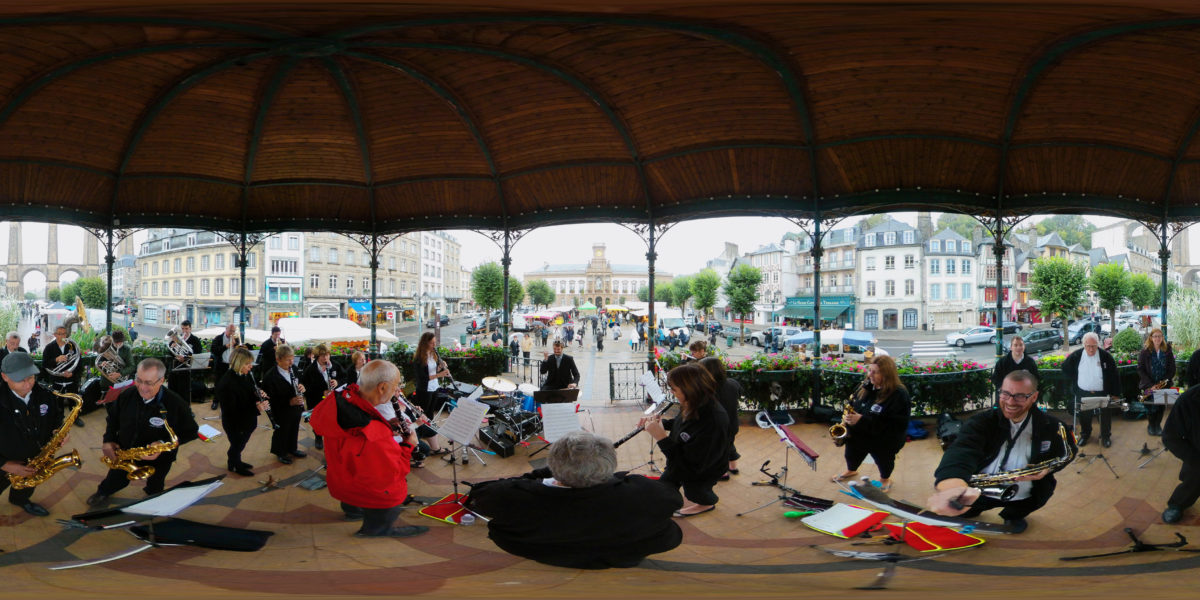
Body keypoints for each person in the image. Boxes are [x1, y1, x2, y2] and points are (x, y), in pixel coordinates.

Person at [466, 430, 683, 568]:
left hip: (544, 552)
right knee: (668, 529)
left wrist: (540, 475)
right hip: (620, 555)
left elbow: (479, 495)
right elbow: (673, 498)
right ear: (609, 465)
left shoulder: (515, 494)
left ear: (554, 465)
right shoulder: (642, 492)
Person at [927, 370, 1077, 534]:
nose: (1010, 402)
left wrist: (1048, 469)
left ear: (1034, 397)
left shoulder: (1054, 426)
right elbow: (962, 450)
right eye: (1005, 393)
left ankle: (1012, 515)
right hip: (979, 489)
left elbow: (1068, 452)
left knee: (1028, 503)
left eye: (1020, 396)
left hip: (1025, 492)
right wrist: (953, 487)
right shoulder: (981, 422)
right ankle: (974, 509)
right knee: (967, 509)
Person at [310, 360, 428, 538]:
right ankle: (377, 530)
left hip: (342, 478)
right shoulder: (374, 434)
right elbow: (394, 471)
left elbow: (358, 437)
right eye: (396, 385)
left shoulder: (342, 398)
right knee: (392, 495)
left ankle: (353, 511)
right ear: (382, 387)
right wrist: (408, 445)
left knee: (358, 487)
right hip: (365, 487)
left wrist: (386, 424)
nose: (398, 390)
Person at [85, 358, 200, 506]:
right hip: (126, 451)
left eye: (149, 383)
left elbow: (191, 431)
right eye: (139, 380)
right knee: (115, 478)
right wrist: (108, 439)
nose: (142, 387)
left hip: (160, 458)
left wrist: (163, 444)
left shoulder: (176, 403)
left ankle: (153, 495)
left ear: (161, 380)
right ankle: (103, 492)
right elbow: (113, 419)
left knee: (156, 483)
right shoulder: (127, 395)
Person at [639, 363, 729, 517]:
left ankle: (708, 503)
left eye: (674, 389)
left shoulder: (713, 420)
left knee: (695, 491)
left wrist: (661, 437)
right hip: (682, 458)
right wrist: (660, 424)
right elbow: (680, 423)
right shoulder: (693, 403)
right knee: (664, 485)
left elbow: (688, 465)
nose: (672, 393)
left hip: (703, 468)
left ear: (690, 390)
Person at [831, 355, 911, 492]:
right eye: (869, 370)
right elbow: (853, 405)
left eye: (875, 372)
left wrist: (861, 420)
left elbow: (896, 424)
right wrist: (847, 422)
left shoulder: (898, 394)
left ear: (887, 374)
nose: (870, 375)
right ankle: (851, 470)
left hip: (884, 439)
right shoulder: (865, 387)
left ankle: (885, 479)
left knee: (884, 460)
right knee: (851, 453)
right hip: (860, 433)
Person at [0, 352, 66, 516]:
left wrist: (57, 431)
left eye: (30, 377)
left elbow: (57, 417)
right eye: (20, 379)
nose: (27, 384)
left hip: (35, 458)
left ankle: (20, 500)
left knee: (27, 486)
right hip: (4, 460)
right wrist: (4, 464)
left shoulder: (46, 394)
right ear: (4, 377)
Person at [214, 347, 270, 476]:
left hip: (247, 420)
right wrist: (257, 408)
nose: (251, 366)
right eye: (247, 363)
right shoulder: (226, 383)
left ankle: (234, 461)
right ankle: (236, 465)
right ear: (238, 363)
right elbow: (232, 410)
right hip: (235, 423)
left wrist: (258, 393)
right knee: (237, 444)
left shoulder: (245, 374)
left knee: (240, 443)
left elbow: (249, 391)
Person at [1062, 332, 1121, 447]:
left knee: (1105, 416)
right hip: (1083, 392)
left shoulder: (1105, 356)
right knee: (1084, 415)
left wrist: (1115, 393)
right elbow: (1065, 367)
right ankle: (1085, 435)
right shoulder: (1077, 355)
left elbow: (1114, 375)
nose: (1091, 349)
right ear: (1084, 344)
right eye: (1088, 346)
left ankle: (1105, 437)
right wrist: (1075, 379)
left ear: (1098, 344)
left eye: (1094, 346)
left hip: (1102, 392)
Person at [260, 344, 307, 464]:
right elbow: (269, 399)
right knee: (282, 431)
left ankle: (292, 448)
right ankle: (280, 452)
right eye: (288, 360)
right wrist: (289, 402)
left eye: (292, 359)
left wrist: (302, 386)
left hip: (296, 407)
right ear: (278, 359)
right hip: (281, 409)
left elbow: (301, 380)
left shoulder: (294, 369)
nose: (291, 362)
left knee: (294, 427)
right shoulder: (270, 376)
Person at [1162, 381, 1200, 524]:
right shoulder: (1189, 399)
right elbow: (1170, 437)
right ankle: (1177, 504)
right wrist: (1195, 460)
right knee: (1195, 476)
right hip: (1198, 454)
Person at [699, 357, 742, 480]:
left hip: (717, 425)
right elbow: (739, 393)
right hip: (733, 423)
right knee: (728, 443)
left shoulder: (706, 388)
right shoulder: (733, 383)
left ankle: (722, 473)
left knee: (717, 449)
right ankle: (733, 466)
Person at [1137, 328, 1176, 437]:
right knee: (1149, 407)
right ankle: (1151, 425)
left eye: (1159, 336)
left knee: (1160, 406)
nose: (1157, 338)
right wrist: (1151, 385)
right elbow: (1140, 369)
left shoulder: (1167, 350)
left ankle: (1157, 426)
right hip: (1148, 386)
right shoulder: (1145, 351)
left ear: (1162, 338)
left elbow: (1172, 369)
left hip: (1163, 385)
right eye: (1155, 336)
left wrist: (1163, 382)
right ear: (1151, 338)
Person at [301, 344, 340, 451]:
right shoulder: (310, 370)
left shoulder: (334, 365)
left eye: (327, 355)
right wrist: (321, 392)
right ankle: (318, 437)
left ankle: (331, 438)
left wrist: (337, 382)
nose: (326, 358)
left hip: (333, 400)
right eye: (323, 356)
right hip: (317, 400)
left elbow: (345, 377)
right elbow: (305, 388)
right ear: (317, 356)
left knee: (331, 420)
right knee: (318, 420)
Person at [412, 333, 450, 416]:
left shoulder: (433, 354)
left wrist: (440, 367)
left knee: (431, 412)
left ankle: (430, 424)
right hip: (424, 389)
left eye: (435, 342)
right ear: (425, 343)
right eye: (431, 343)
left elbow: (433, 371)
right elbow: (422, 377)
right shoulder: (418, 358)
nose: (434, 345)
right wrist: (439, 375)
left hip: (434, 387)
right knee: (423, 413)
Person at [166, 320, 204, 404]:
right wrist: (172, 346)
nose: (184, 331)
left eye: (186, 329)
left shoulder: (195, 340)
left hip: (187, 368)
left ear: (190, 329)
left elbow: (197, 353)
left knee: (184, 389)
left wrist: (185, 358)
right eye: (183, 329)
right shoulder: (177, 338)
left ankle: (185, 406)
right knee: (172, 387)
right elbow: (170, 352)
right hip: (175, 366)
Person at [209, 323, 240, 410]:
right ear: (226, 329)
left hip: (232, 365)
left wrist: (235, 345)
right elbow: (214, 350)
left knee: (232, 384)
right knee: (218, 383)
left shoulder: (236, 339)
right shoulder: (218, 338)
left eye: (233, 331)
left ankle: (230, 401)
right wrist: (226, 346)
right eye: (230, 331)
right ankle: (216, 401)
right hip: (221, 365)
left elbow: (239, 351)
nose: (232, 333)